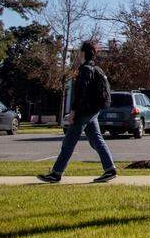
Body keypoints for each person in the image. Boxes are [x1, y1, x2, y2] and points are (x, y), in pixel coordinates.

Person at [37, 40, 117, 183]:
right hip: (93, 111)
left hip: (84, 111)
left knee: (69, 142)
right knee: (97, 140)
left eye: (80, 52)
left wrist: (73, 111)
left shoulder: (85, 69)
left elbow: (81, 93)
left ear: (83, 53)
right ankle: (110, 169)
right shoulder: (96, 69)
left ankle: (56, 173)